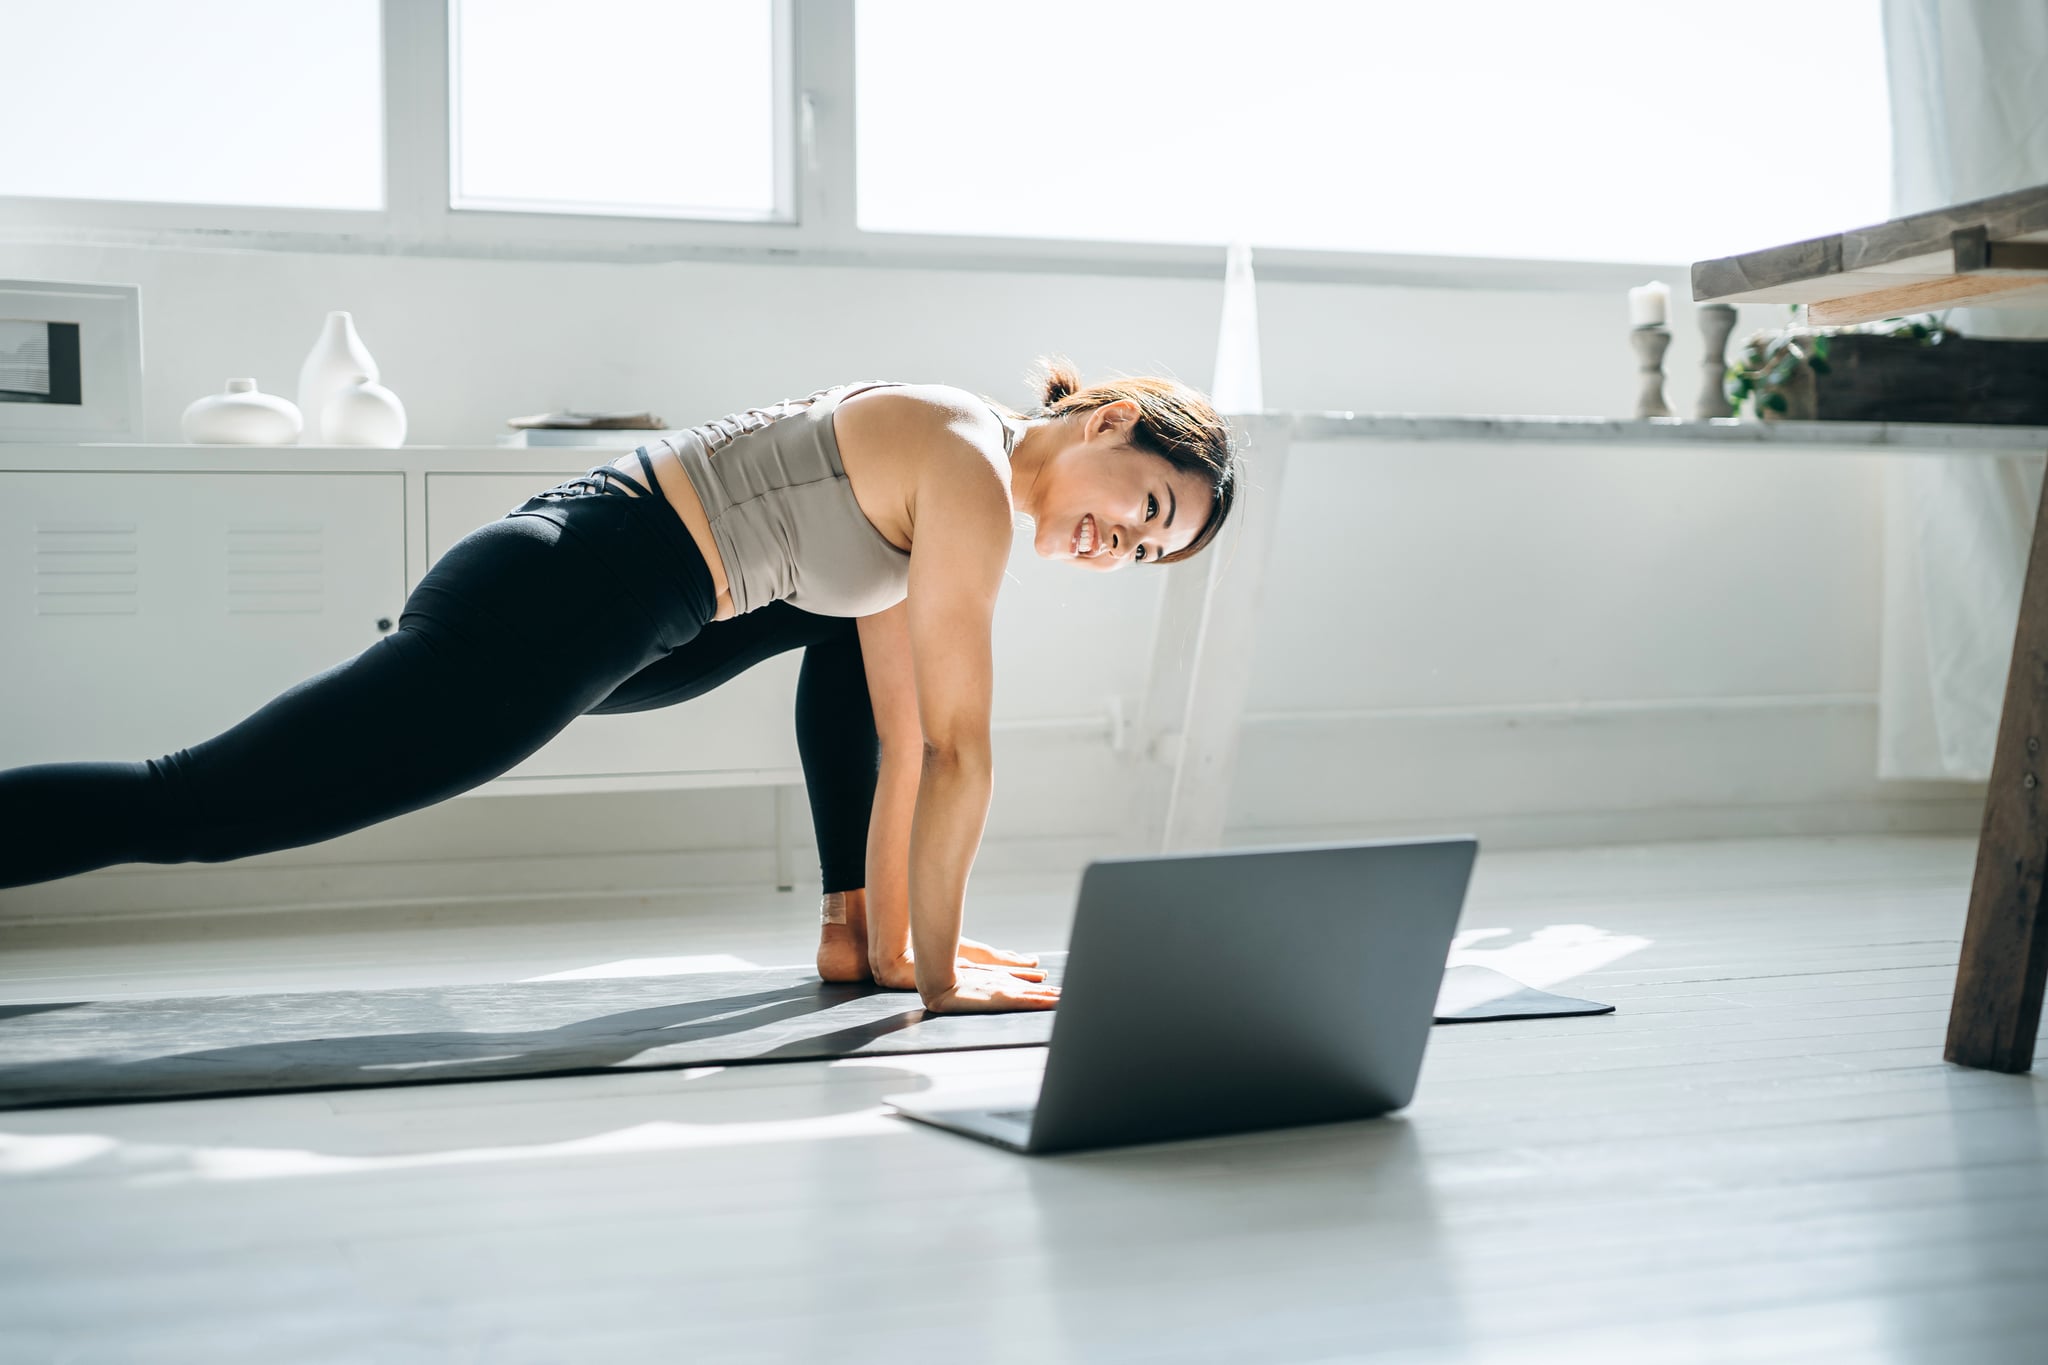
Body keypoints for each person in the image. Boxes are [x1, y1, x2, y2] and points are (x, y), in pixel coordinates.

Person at [0, 359, 1241, 1014]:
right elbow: (965, 751)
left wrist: (898, 948)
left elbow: (899, 730)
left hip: (624, 607)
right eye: (1141, 507)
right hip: (570, 595)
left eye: (1142, 552)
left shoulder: (938, 495)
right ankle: (879, 933)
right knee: (203, 808)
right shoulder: (965, 461)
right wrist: (945, 983)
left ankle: (853, 924)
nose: (1114, 545)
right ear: (1106, 422)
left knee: (855, 638)